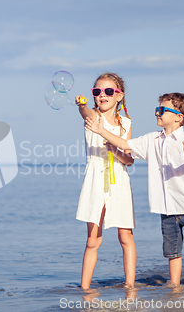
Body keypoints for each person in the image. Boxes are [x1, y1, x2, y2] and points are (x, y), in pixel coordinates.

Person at [85, 92, 184, 287]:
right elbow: (125, 144)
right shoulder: (151, 139)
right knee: (172, 250)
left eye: (162, 110)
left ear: (179, 117)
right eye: (157, 109)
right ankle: (174, 284)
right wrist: (102, 132)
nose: (157, 113)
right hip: (166, 208)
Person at [75, 72, 136, 290]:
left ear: (119, 96)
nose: (102, 95)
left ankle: (130, 285)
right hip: (94, 180)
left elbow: (129, 159)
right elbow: (84, 112)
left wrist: (115, 150)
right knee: (93, 240)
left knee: (125, 236)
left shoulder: (125, 123)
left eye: (108, 91)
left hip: (118, 180)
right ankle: (85, 289)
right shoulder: (93, 117)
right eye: (97, 91)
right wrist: (81, 104)